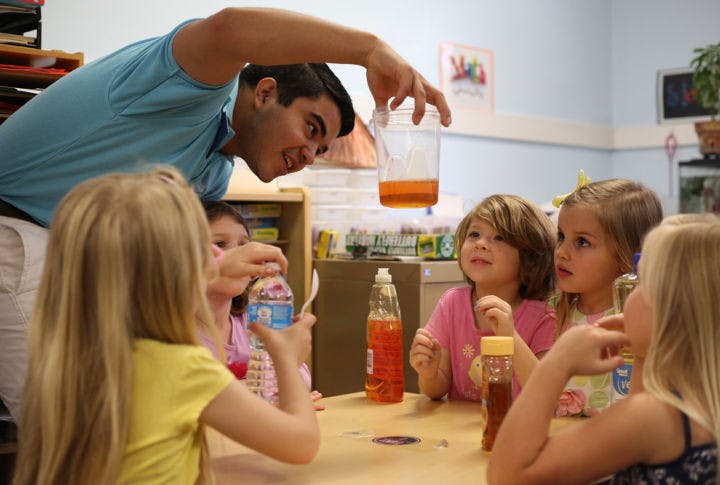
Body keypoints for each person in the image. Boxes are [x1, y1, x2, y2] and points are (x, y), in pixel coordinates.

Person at [0, 7, 452, 419]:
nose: (309, 155)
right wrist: (370, 50)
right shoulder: (192, 89)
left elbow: (163, 278)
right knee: (71, 426)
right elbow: (228, 29)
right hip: (18, 232)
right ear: (266, 93)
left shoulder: (211, 175)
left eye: (320, 148)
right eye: (310, 128)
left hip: (76, 262)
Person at [12, 168, 320, 484]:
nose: (218, 264)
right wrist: (283, 354)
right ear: (175, 275)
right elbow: (302, 444)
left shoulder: (64, 361)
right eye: (207, 256)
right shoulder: (180, 367)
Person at [487, 215, 720, 485]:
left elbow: (508, 476)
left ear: (671, 312)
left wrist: (558, 362)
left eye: (641, 282)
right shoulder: (702, 403)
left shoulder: (653, 417)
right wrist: (641, 351)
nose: (630, 293)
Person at [409, 194, 557, 401]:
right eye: (474, 234)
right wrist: (428, 372)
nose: (480, 244)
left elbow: (543, 394)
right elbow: (436, 390)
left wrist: (511, 337)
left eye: (499, 238)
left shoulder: (544, 317)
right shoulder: (452, 303)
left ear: (530, 257)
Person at [548, 173, 662, 416]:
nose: (562, 252)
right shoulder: (550, 313)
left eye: (582, 242)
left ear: (627, 255)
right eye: (561, 237)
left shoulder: (642, 321)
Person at [200, 199, 324, 408]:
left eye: (243, 245)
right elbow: (201, 399)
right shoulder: (176, 333)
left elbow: (302, 379)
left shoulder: (254, 320)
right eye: (220, 245)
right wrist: (271, 392)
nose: (242, 256)